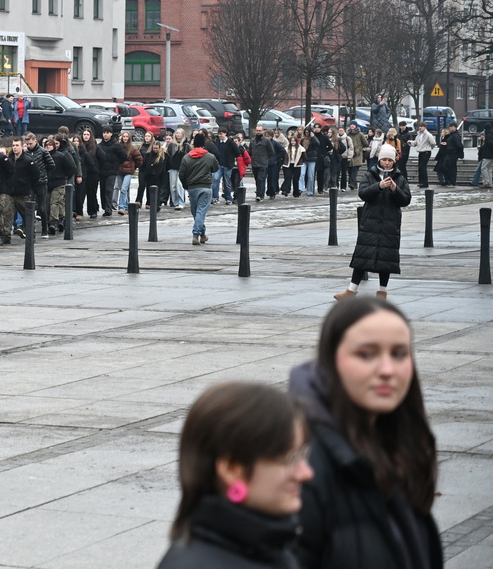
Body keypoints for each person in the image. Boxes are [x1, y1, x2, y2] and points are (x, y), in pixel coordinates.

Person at [288, 297, 441, 569]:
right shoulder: (304, 465)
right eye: (366, 354)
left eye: (399, 353)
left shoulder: (400, 441)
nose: (386, 370)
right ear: (331, 358)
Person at [156, 382, 314, 569]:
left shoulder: (270, 545)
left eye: (303, 454)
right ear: (232, 469)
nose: (306, 473)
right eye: (289, 459)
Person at [335, 144, 411, 300]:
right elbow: (363, 194)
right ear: (379, 159)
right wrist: (379, 186)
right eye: (384, 159)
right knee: (361, 258)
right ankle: (351, 291)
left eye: (389, 160)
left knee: (386, 259)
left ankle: (382, 292)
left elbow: (405, 200)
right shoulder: (370, 175)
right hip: (370, 222)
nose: (387, 163)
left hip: (390, 223)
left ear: (394, 161)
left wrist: (395, 190)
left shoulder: (400, 177)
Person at [178, 133, 218, 246]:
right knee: (201, 212)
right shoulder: (210, 157)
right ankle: (197, 234)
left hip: (192, 188)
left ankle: (202, 235)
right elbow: (216, 168)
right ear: (204, 144)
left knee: (196, 212)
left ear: (194, 144)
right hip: (205, 187)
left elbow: (181, 174)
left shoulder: (186, 157)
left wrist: (186, 185)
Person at [212, 130, 236, 205]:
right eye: (219, 134)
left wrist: (231, 160)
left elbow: (237, 152)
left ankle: (228, 197)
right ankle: (215, 197)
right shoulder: (218, 142)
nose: (220, 136)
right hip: (219, 164)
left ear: (225, 133)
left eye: (221, 134)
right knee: (215, 179)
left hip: (227, 165)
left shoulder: (230, 143)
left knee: (227, 182)